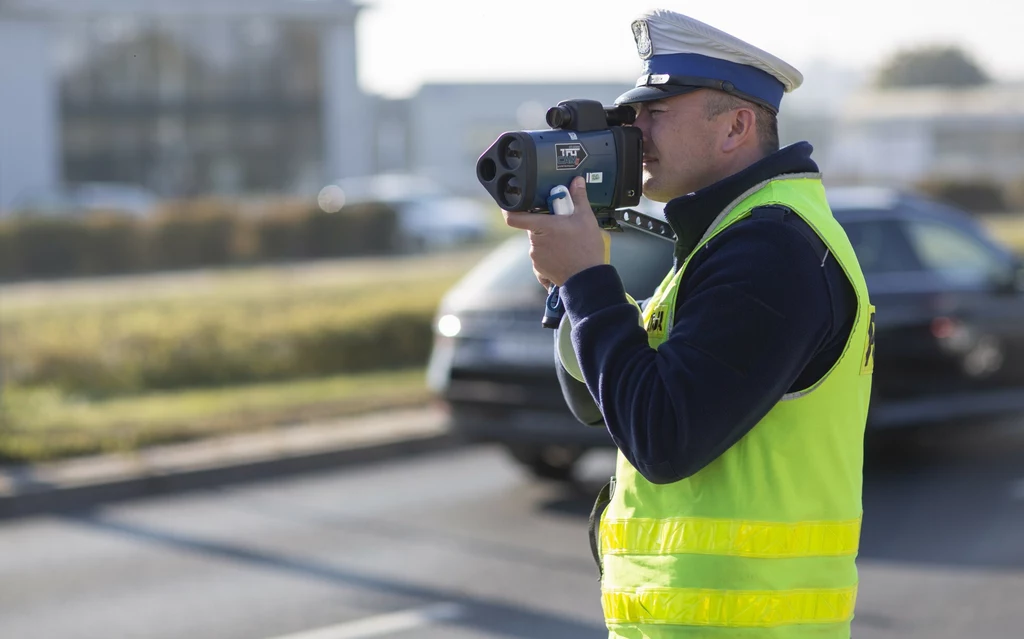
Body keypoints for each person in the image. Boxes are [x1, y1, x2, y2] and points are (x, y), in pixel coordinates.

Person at [502, 9, 875, 639]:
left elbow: (662, 437)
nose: (635, 129)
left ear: (735, 126)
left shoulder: (770, 249)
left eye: (658, 110)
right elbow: (601, 407)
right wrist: (574, 286)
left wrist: (592, 282)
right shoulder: (729, 237)